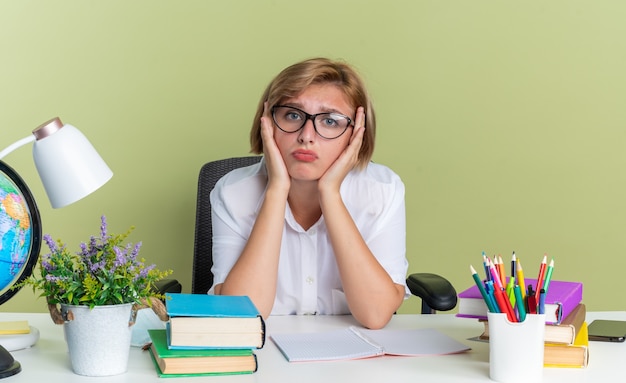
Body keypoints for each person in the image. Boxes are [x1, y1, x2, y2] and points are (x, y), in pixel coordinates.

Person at [209, 58, 409, 329]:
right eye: (292, 115)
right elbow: (240, 318)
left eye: (330, 121)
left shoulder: (382, 191)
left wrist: (331, 194)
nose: (306, 136)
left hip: (355, 359)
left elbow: (375, 315)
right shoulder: (233, 192)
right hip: (263, 357)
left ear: (356, 134)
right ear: (267, 122)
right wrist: (277, 189)